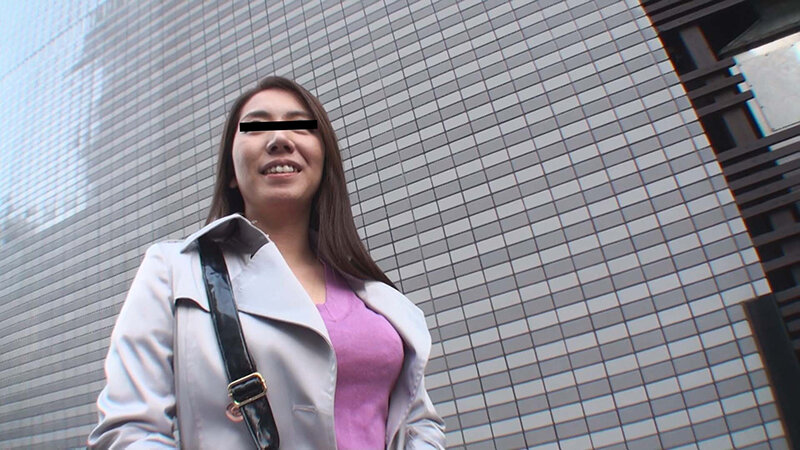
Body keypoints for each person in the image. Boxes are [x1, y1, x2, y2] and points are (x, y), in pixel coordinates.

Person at [88, 76, 446, 449]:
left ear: (324, 160)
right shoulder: (173, 272)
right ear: (230, 172)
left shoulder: (378, 298)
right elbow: (128, 433)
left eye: (300, 126)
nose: (279, 139)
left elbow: (419, 424)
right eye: (256, 127)